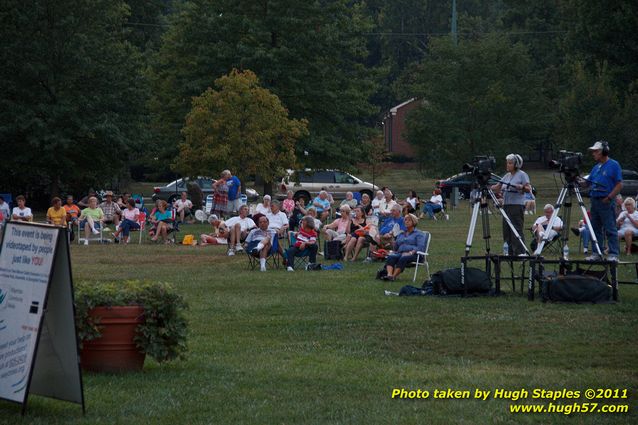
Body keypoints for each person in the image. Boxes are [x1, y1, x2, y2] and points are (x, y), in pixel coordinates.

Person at [582, 141, 623, 261]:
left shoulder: (614, 165)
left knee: (610, 228)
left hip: (606, 201)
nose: (593, 154)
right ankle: (597, 253)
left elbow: (619, 184)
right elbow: (587, 183)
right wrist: (576, 179)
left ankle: (613, 254)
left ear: (603, 152)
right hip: (594, 201)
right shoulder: (596, 167)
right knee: (595, 228)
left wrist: (610, 197)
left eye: (596, 151)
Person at [491, 154, 531, 256]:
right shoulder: (507, 176)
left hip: (516, 206)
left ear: (516, 164)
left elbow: (528, 188)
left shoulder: (522, 174)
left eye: (510, 163)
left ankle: (520, 252)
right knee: (506, 229)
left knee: (516, 228)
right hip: (506, 206)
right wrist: (487, 186)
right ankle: (509, 252)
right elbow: (497, 187)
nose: (507, 165)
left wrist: (521, 187)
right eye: (507, 163)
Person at [380, 214, 426, 281]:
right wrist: (393, 240)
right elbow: (395, 248)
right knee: (391, 257)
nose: (406, 222)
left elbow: (420, 247)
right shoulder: (401, 233)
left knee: (403, 258)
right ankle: (389, 275)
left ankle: (393, 276)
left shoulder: (419, 234)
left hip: (416, 255)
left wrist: (410, 252)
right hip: (401, 253)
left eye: (409, 220)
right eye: (405, 220)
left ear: (414, 222)